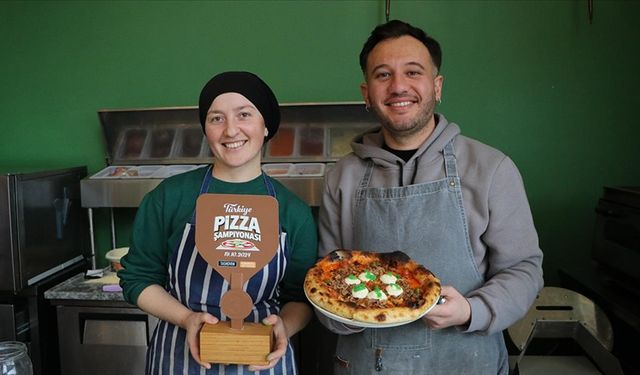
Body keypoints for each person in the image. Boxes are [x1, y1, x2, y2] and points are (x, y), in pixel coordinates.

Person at [317, 20, 544, 374]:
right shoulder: (340, 177)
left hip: (465, 359)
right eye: (382, 75)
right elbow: (326, 275)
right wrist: (348, 314)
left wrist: (472, 310)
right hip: (368, 362)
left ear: (437, 86)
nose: (398, 86)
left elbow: (524, 268)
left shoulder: (491, 168)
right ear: (366, 93)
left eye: (413, 72)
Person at [119, 71, 318, 374]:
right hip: (179, 355)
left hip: (263, 359)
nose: (230, 130)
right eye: (216, 119)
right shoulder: (169, 197)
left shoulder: (293, 211)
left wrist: (284, 327)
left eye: (244, 115)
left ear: (266, 126)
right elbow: (138, 279)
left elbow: (300, 296)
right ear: (205, 129)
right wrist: (187, 319)